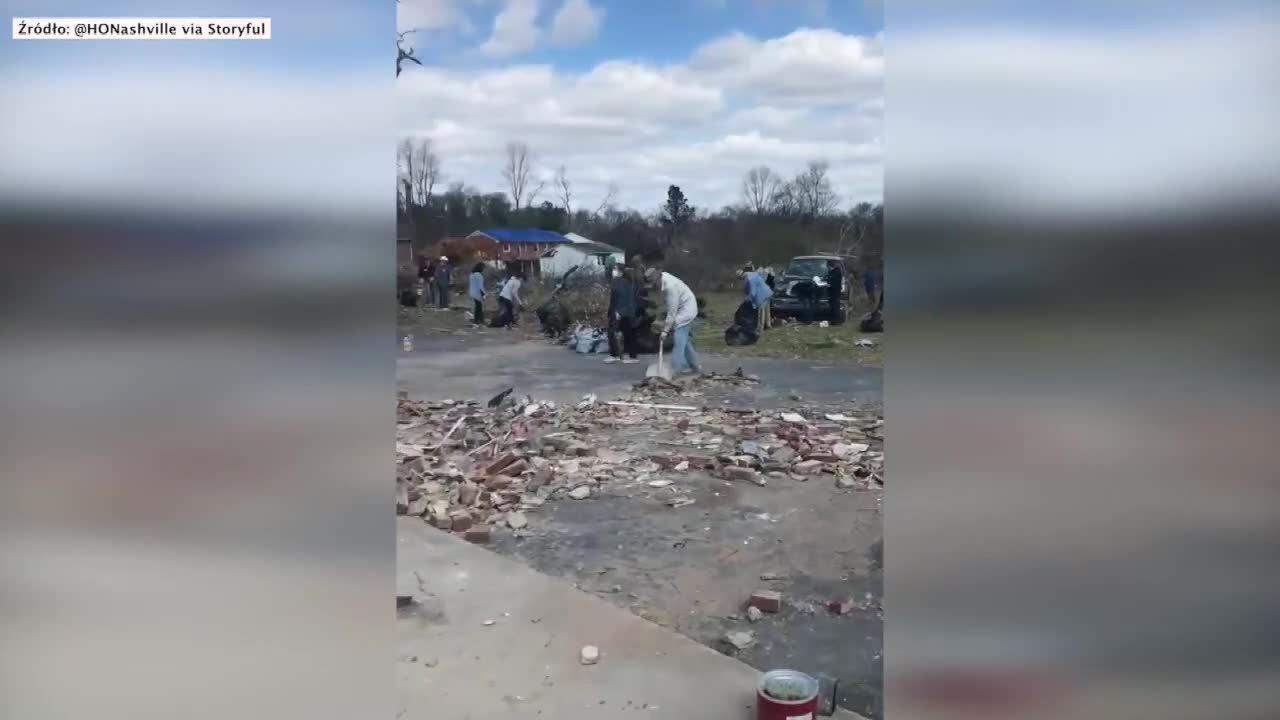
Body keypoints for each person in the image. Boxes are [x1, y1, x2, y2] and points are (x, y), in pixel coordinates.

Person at [644, 267, 700, 375]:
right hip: (680, 307)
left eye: (654, 284)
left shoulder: (670, 287)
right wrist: (659, 318)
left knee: (678, 340)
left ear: (658, 279)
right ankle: (695, 366)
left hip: (687, 309)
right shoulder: (662, 281)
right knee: (684, 341)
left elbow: (671, 313)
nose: (653, 287)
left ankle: (675, 369)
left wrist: (665, 332)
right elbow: (663, 304)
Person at [605, 265, 640, 364]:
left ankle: (616, 355)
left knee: (614, 332)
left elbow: (618, 298)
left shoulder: (618, 282)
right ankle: (630, 356)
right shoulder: (629, 282)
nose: (613, 272)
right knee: (629, 333)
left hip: (620, 312)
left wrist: (618, 312)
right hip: (629, 312)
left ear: (619, 272)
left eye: (614, 270)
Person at [739, 262, 773, 332]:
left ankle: (760, 328)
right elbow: (748, 289)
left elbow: (753, 291)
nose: (742, 280)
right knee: (767, 310)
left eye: (740, 278)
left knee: (761, 312)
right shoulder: (753, 274)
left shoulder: (749, 278)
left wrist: (748, 300)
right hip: (767, 291)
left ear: (742, 275)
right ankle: (768, 325)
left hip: (761, 294)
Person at [826, 259, 845, 324]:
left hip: (835, 291)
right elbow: (829, 279)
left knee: (835, 306)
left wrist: (829, 285)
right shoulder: (832, 272)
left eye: (828, 266)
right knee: (833, 306)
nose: (827, 268)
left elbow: (835, 282)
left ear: (830, 266)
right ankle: (833, 320)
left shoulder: (837, 272)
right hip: (831, 292)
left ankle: (836, 320)